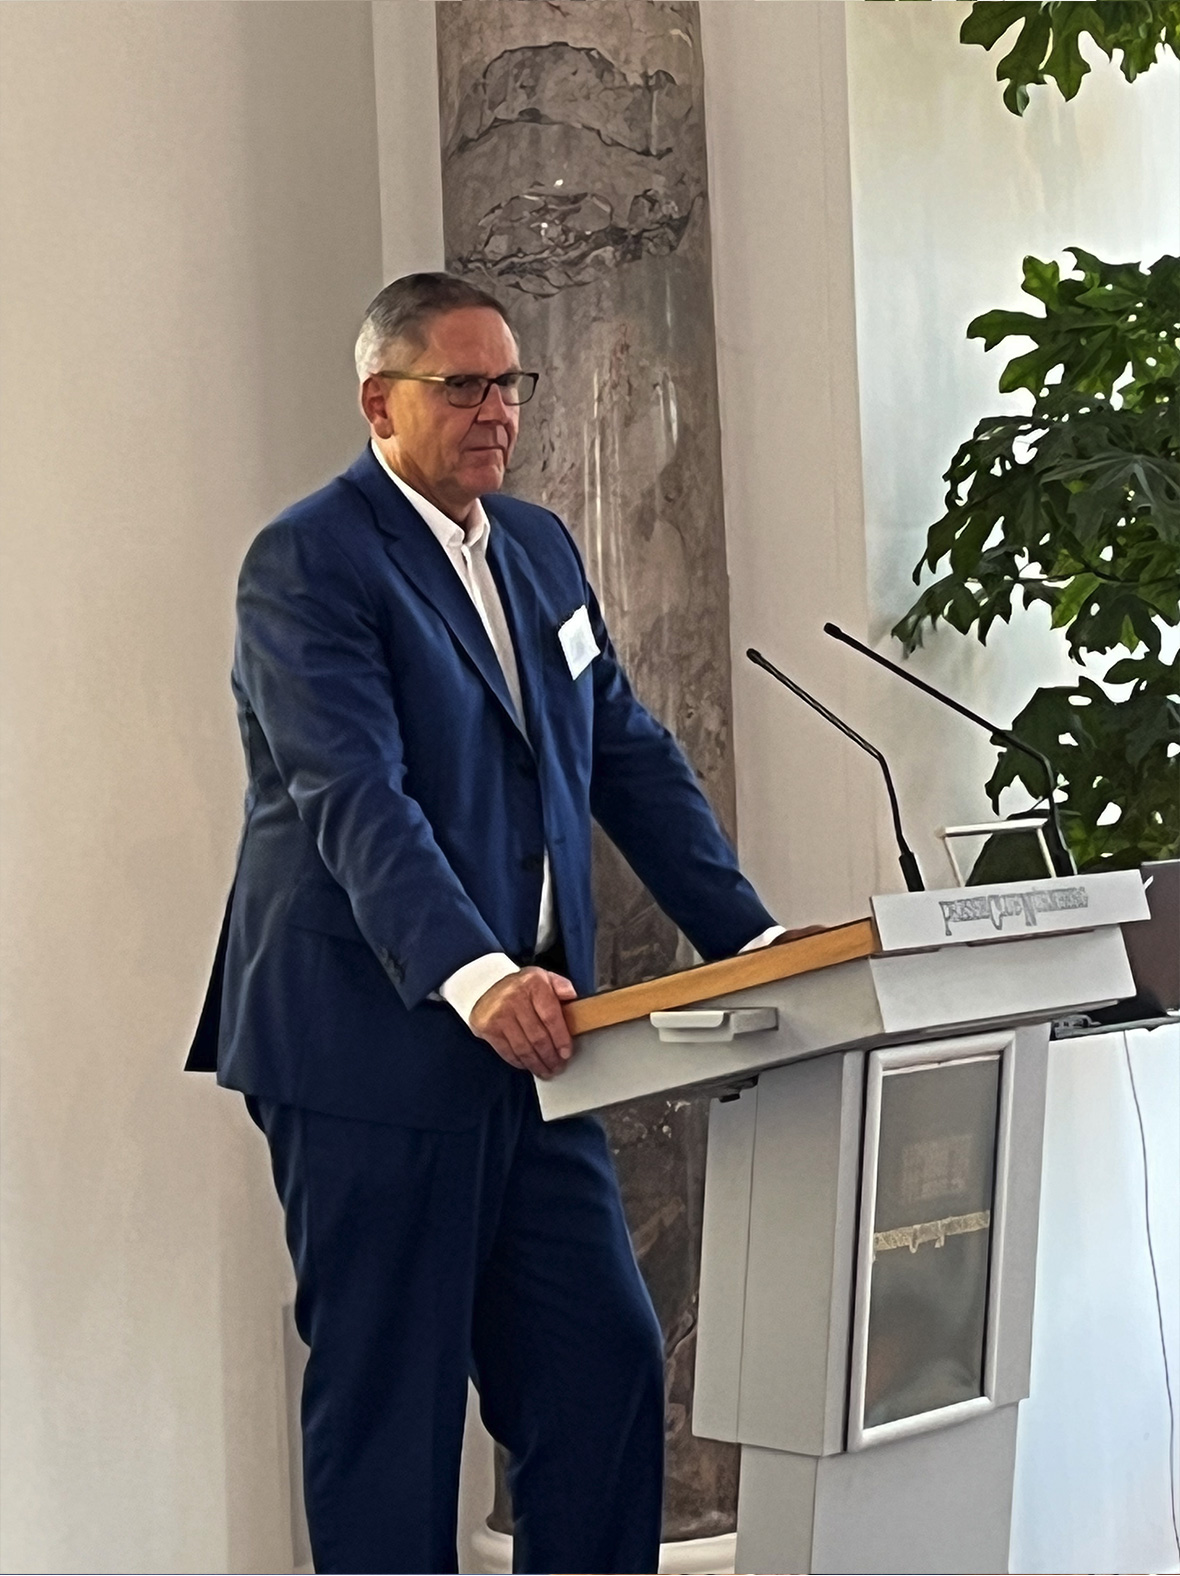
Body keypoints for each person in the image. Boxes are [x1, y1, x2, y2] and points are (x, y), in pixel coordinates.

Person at [188, 272, 787, 1575]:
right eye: (462, 385)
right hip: (373, 1041)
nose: (497, 412)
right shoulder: (309, 560)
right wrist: (476, 974)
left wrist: (749, 942)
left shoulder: (538, 548)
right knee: (395, 1416)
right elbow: (355, 796)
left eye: (509, 383)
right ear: (379, 402)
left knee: (603, 1366)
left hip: (538, 1045)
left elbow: (623, 751)